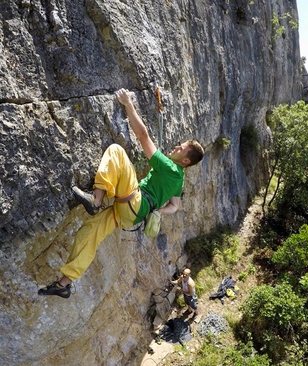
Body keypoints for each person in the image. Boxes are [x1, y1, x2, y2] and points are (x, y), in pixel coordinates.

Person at [38, 88, 204, 298]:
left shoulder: (170, 167)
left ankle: (96, 200)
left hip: (135, 201)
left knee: (116, 151)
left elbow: (143, 136)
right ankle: (64, 283)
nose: (177, 146)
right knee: (89, 233)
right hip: (132, 215)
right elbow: (175, 206)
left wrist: (128, 104)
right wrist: (157, 210)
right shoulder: (180, 180)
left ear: (186, 160)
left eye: (181, 148)